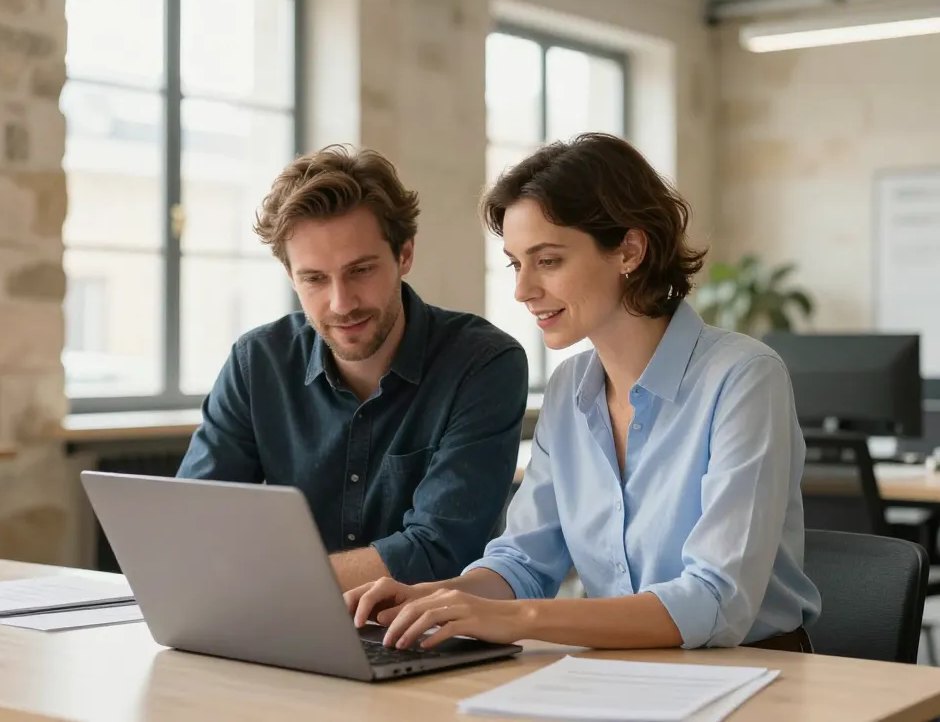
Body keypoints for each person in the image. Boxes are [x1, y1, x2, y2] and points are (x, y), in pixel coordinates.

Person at [346, 133, 822, 653]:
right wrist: (433, 598)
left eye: (547, 261)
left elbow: (716, 601)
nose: (522, 290)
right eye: (515, 263)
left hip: (752, 674)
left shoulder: (743, 377)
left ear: (629, 251)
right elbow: (523, 563)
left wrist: (518, 619)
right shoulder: (570, 388)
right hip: (622, 674)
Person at [176, 144, 529, 592]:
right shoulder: (256, 363)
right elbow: (195, 529)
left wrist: (264, 581)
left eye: (360, 270)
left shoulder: (484, 364)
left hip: (433, 635)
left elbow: (441, 551)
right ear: (290, 277)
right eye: (315, 279)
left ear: (404, 255)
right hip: (284, 627)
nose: (341, 303)